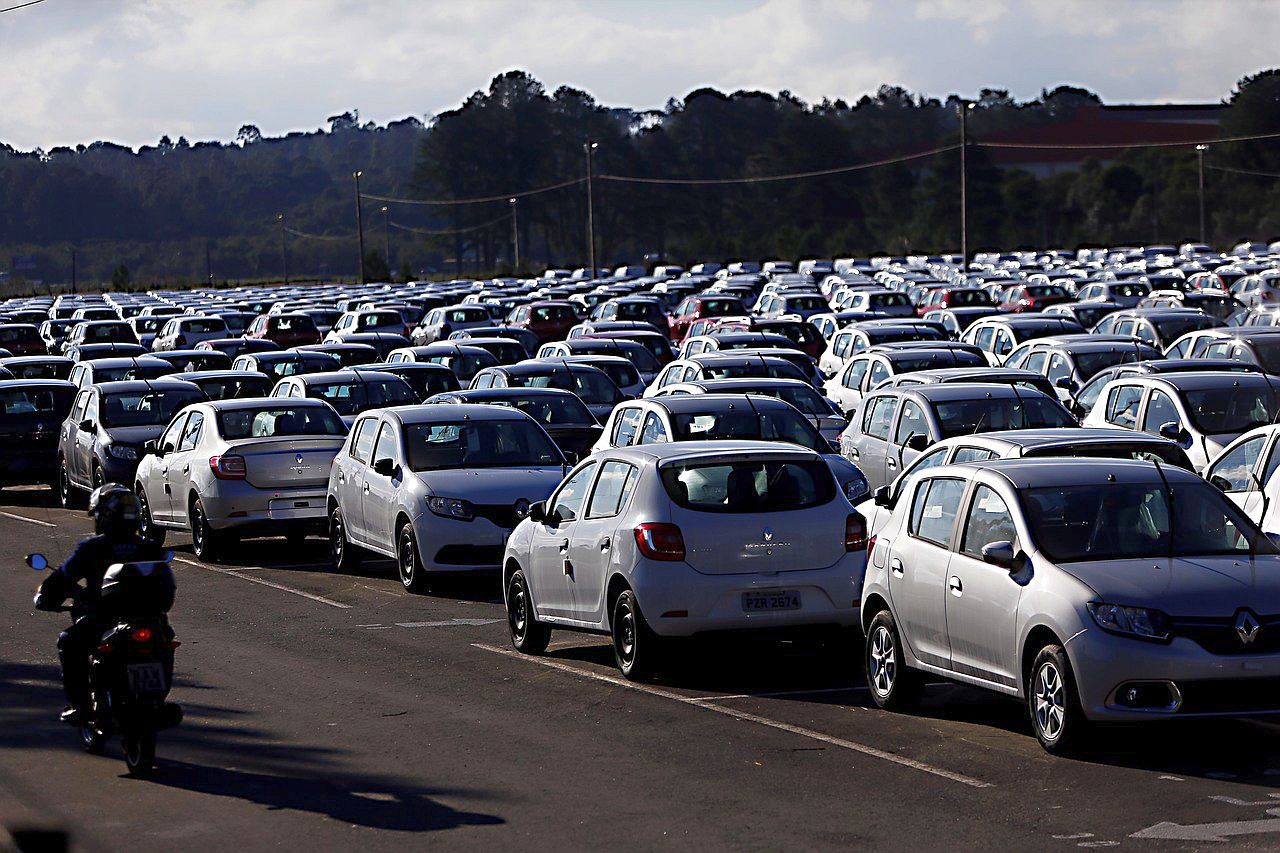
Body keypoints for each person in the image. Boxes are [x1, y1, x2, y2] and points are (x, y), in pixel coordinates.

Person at [34, 484, 162, 725]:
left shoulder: (92, 548)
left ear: (105, 516)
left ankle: (80, 705)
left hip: (103, 621)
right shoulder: (149, 546)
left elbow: (63, 576)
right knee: (164, 642)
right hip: (150, 620)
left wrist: (46, 596)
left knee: (68, 641)